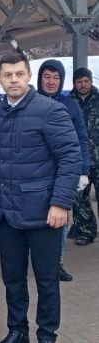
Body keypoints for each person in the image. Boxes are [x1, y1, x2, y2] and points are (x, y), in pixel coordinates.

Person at [0, 53, 81, 343]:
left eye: (18, 74)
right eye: (7, 75)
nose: (13, 80)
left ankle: (46, 334)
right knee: (13, 279)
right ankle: (17, 330)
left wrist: (61, 203)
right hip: (7, 213)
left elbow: (70, 157)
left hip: (43, 212)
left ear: (28, 76)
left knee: (47, 280)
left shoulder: (50, 110)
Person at [36, 60, 90, 282]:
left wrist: (83, 171)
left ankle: (55, 262)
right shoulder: (31, 102)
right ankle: (38, 259)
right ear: (40, 78)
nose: (51, 81)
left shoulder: (70, 105)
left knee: (60, 218)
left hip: (63, 172)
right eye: (47, 76)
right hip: (37, 171)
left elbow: (81, 138)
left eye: (56, 77)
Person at [69, 67, 99, 246]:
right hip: (80, 159)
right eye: (79, 81)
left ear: (91, 81)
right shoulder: (68, 102)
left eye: (85, 81)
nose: (83, 84)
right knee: (80, 198)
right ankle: (86, 231)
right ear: (74, 83)